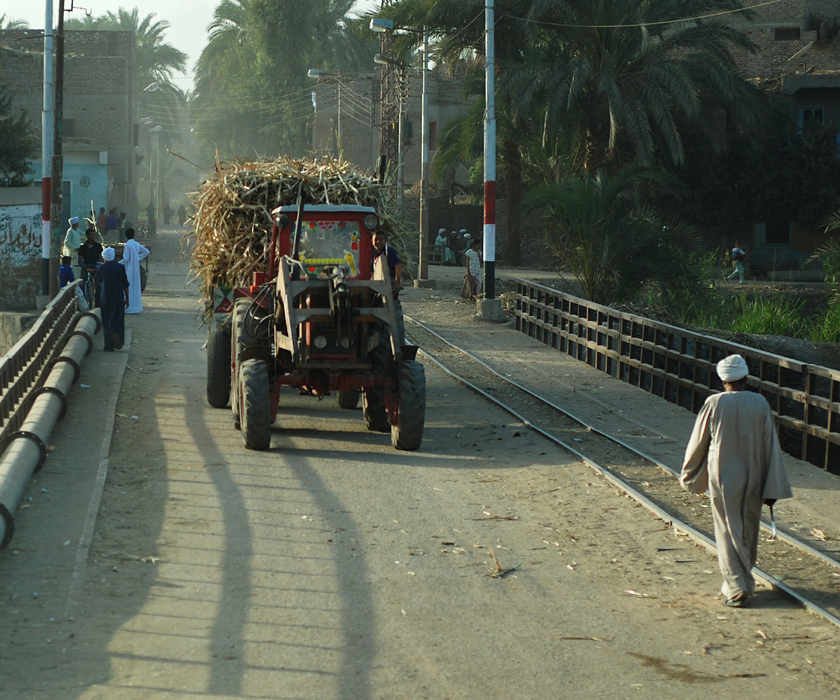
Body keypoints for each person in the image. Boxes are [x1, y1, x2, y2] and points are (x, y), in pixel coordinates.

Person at [681, 354, 793, 608]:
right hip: (754, 473)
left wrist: (690, 475)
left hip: (722, 477)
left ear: (723, 380)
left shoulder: (714, 403)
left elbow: (698, 443)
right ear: (746, 378)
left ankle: (736, 585)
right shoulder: (760, 402)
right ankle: (743, 581)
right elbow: (770, 445)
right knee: (749, 529)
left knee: (726, 529)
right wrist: (772, 484)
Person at [95, 247, 129, 351]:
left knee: (106, 319)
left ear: (104, 257)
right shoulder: (120, 268)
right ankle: (116, 333)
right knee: (118, 318)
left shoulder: (101, 268)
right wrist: (127, 298)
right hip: (118, 296)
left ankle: (108, 345)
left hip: (105, 296)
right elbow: (125, 285)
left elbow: (97, 281)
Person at [121, 228, 150, 314]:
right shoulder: (136, 244)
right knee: (136, 288)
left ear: (126, 236)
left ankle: (128, 308)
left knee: (128, 288)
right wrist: (137, 258)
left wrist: (118, 263)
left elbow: (125, 258)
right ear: (134, 235)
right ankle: (137, 307)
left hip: (129, 269)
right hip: (136, 269)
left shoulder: (127, 245)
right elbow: (147, 252)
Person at [371, 230, 402, 298]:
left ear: (385, 241)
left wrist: (397, 283)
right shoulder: (373, 254)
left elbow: (398, 265)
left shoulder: (388, 251)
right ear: (372, 241)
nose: (378, 242)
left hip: (389, 279)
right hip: (377, 280)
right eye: (376, 239)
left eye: (381, 239)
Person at [79, 228, 104, 305]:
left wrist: (96, 267)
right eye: (91, 235)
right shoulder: (82, 248)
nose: (93, 236)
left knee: (99, 285)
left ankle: (98, 304)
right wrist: (84, 267)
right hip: (86, 268)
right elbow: (80, 259)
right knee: (81, 284)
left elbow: (101, 258)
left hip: (95, 268)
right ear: (87, 236)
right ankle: (82, 304)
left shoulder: (98, 246)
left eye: (94, 235)